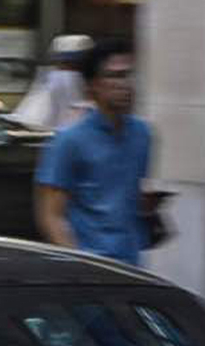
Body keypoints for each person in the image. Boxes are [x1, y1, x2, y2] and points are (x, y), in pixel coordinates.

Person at [35, 41, 152, 265]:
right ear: (93, 86)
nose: (126, 84)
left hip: (133, 266)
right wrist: (81, 265)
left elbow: (130, 195)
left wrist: (146, 205)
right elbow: (51, 216)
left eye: (129, 75)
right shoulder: (69, 140)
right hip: (92, 267)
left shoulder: (143, 135)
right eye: (115, 76)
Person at [13, 34, 92, 131]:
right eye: (65, 63)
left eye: (74, 65)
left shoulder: (59, 79)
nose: (67, 71)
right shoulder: (55, 81)